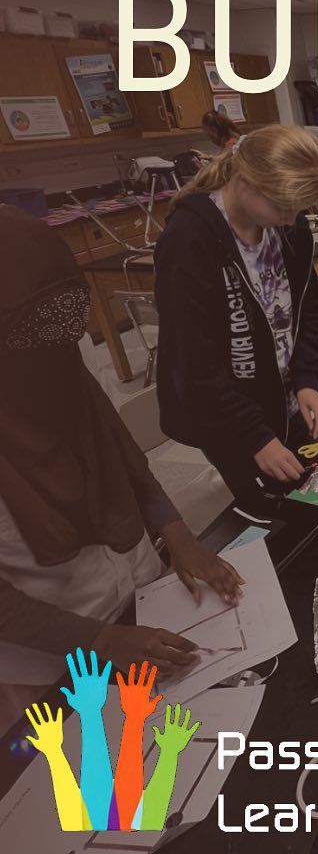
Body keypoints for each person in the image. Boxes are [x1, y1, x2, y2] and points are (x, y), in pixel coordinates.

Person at [0, 206, 243, 702]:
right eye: (31, 338)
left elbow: (119, 454)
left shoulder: (64, 352)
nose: (54, 360)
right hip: (49, 654)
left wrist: (177, 534)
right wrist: (97, 639)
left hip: (144, 598)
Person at [154, 125, 318, 507]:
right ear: (247, 181)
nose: (290, 218)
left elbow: (307, 312)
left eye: (297, 208)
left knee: (316, 497)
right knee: (270, 511)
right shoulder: (189, 241)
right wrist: (255, 437)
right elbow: (194, 364)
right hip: (227, 416)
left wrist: (306, 379)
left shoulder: (291, 229)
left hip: (281, 399)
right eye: (282, 206)